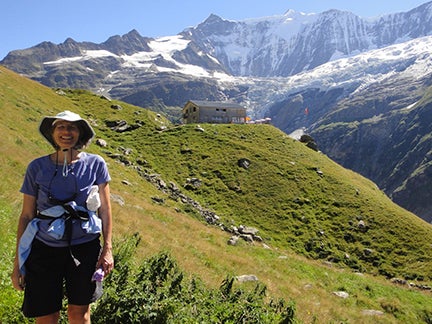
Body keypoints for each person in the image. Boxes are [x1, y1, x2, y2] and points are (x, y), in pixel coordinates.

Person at [11, 110, 114, 323]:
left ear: (80, 133)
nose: (66, 132)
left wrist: (107, 249)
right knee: (46, 316)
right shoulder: (37, 167)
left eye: (72, 127)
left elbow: (105, 209)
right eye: (61, 127)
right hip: (44, 249)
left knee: (80, 313)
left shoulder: (96, 164)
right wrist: (18, 264)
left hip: (85, 248)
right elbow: (26, 216)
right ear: (52, 132)